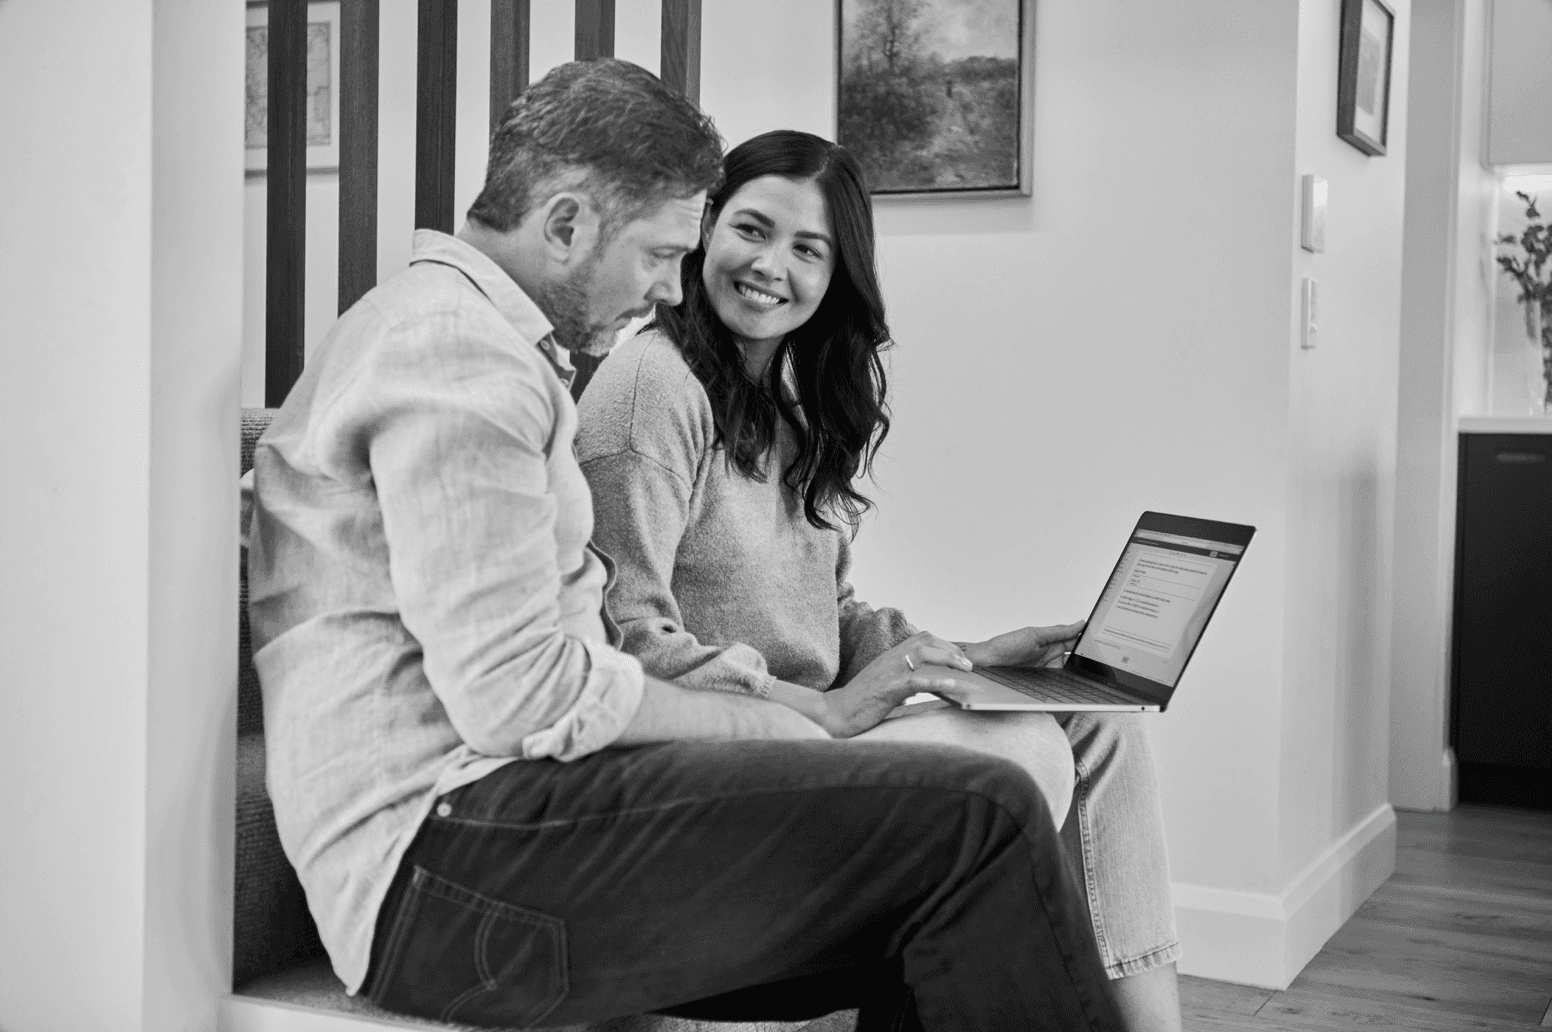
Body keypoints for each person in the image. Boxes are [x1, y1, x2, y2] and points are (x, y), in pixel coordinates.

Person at [248, 60, 1122, 1031]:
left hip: (498, 837)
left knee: (936, 872)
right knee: (980, 814)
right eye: (664, 252)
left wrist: (866, 696)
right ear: (568, 222)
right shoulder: (453, 352)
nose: (674, 285)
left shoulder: (490, 353)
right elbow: (517, 695)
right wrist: (791, 723)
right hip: (444, 880)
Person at [575, 129, 1183, 1032]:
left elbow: (829, 610)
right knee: (1023, 759)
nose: (770, 266)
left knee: (1092, 715)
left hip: (819, 732)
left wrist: (966, 658)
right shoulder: (650, 386)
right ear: (705, 232)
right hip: (725, 758)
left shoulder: (786, 398)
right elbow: (628, 638)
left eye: (807, 249)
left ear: (837, 275)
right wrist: (815, 708)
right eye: (751, 229)